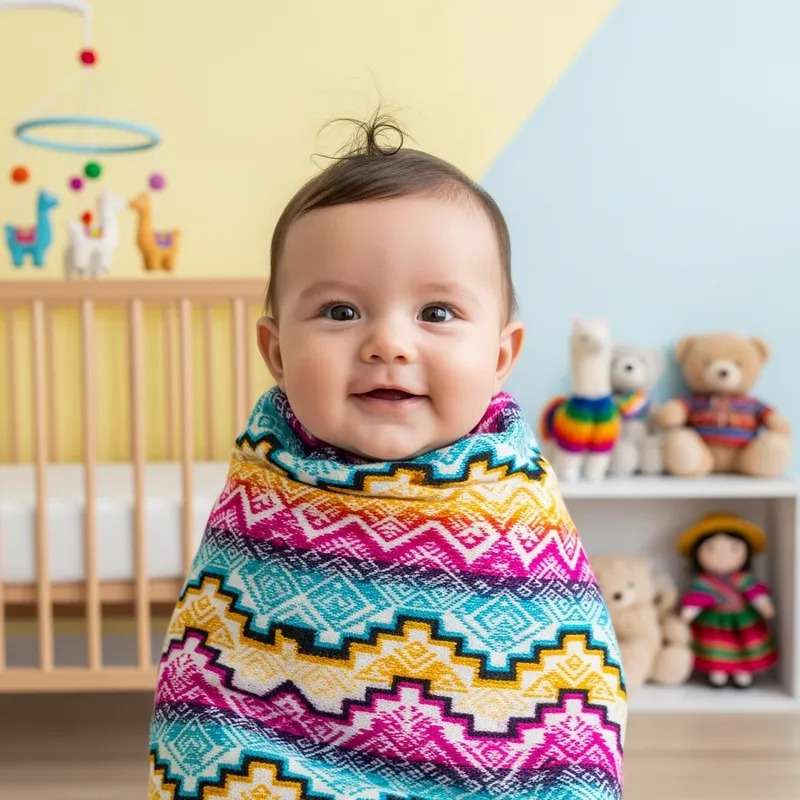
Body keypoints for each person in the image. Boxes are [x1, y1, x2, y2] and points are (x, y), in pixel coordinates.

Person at [147, 111, 626, 799]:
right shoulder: (265, 491)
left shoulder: (517, 506)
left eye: (436, 313)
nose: (389, 344)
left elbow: (573, 689)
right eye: (341, 312)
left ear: (500, 357)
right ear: (277, 353)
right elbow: (209, 689)